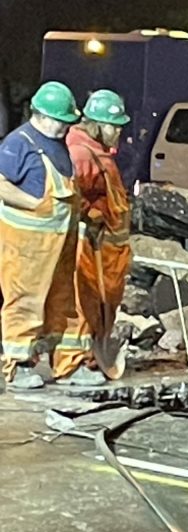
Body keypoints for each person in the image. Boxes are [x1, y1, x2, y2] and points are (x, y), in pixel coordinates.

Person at [0, 81, 81, 389]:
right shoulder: (18, 142)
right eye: (60, 121)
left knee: (59, 301)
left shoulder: (56, 143)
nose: (65, 127)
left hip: (58, 242)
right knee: (24, 301)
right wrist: (34, 203)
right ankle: (18, 365)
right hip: (26, 245)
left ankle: (61, 363)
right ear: (41, 115)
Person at [51, 89, 132, 386]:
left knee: (96, 305)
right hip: (89, 246)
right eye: (114, 125)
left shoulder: (96, 152)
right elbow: (71, 198)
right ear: (97, 124)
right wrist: (92, 216)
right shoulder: (81, 154)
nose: (119, 131)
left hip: (106, 250)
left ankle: (88, 357)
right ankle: (71, 365)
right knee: (81, 304)